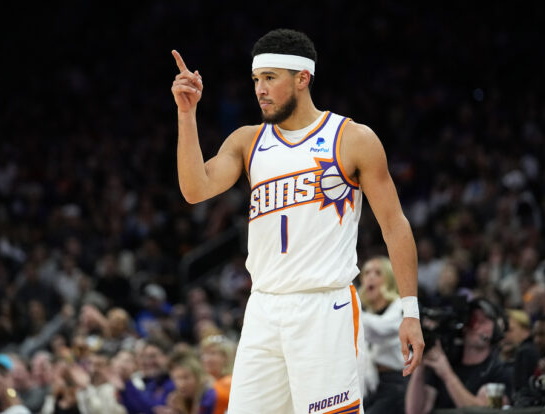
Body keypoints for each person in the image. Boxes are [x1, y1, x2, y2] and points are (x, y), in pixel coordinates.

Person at [172, 28, 424, 414]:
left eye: (270, 78)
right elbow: (195, 189)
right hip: (263, 307)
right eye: (256, 80)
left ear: (302, 78)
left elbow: (395, 226)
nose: (260, 89)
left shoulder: (352, 138)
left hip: (324, 306)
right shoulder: (247, 141)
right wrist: (187, 115)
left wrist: (410, 312)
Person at [405, 298, 511, 413]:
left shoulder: (500, 370)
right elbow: (414, 411)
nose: (475, 326)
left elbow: (482, 412)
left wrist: (447, 374)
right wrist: (420, 365)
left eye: (482, 322)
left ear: (497, 328)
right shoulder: (446, 363)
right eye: (472, 321)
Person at [358, 257, 407, 414]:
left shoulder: (401, 306)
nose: (370, 277)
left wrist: (349, 309)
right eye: (366, 273)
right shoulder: (368, 314)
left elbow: (383, 329)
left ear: (390, 279)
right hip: (375, 385)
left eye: (378, 273)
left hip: (398, 383)